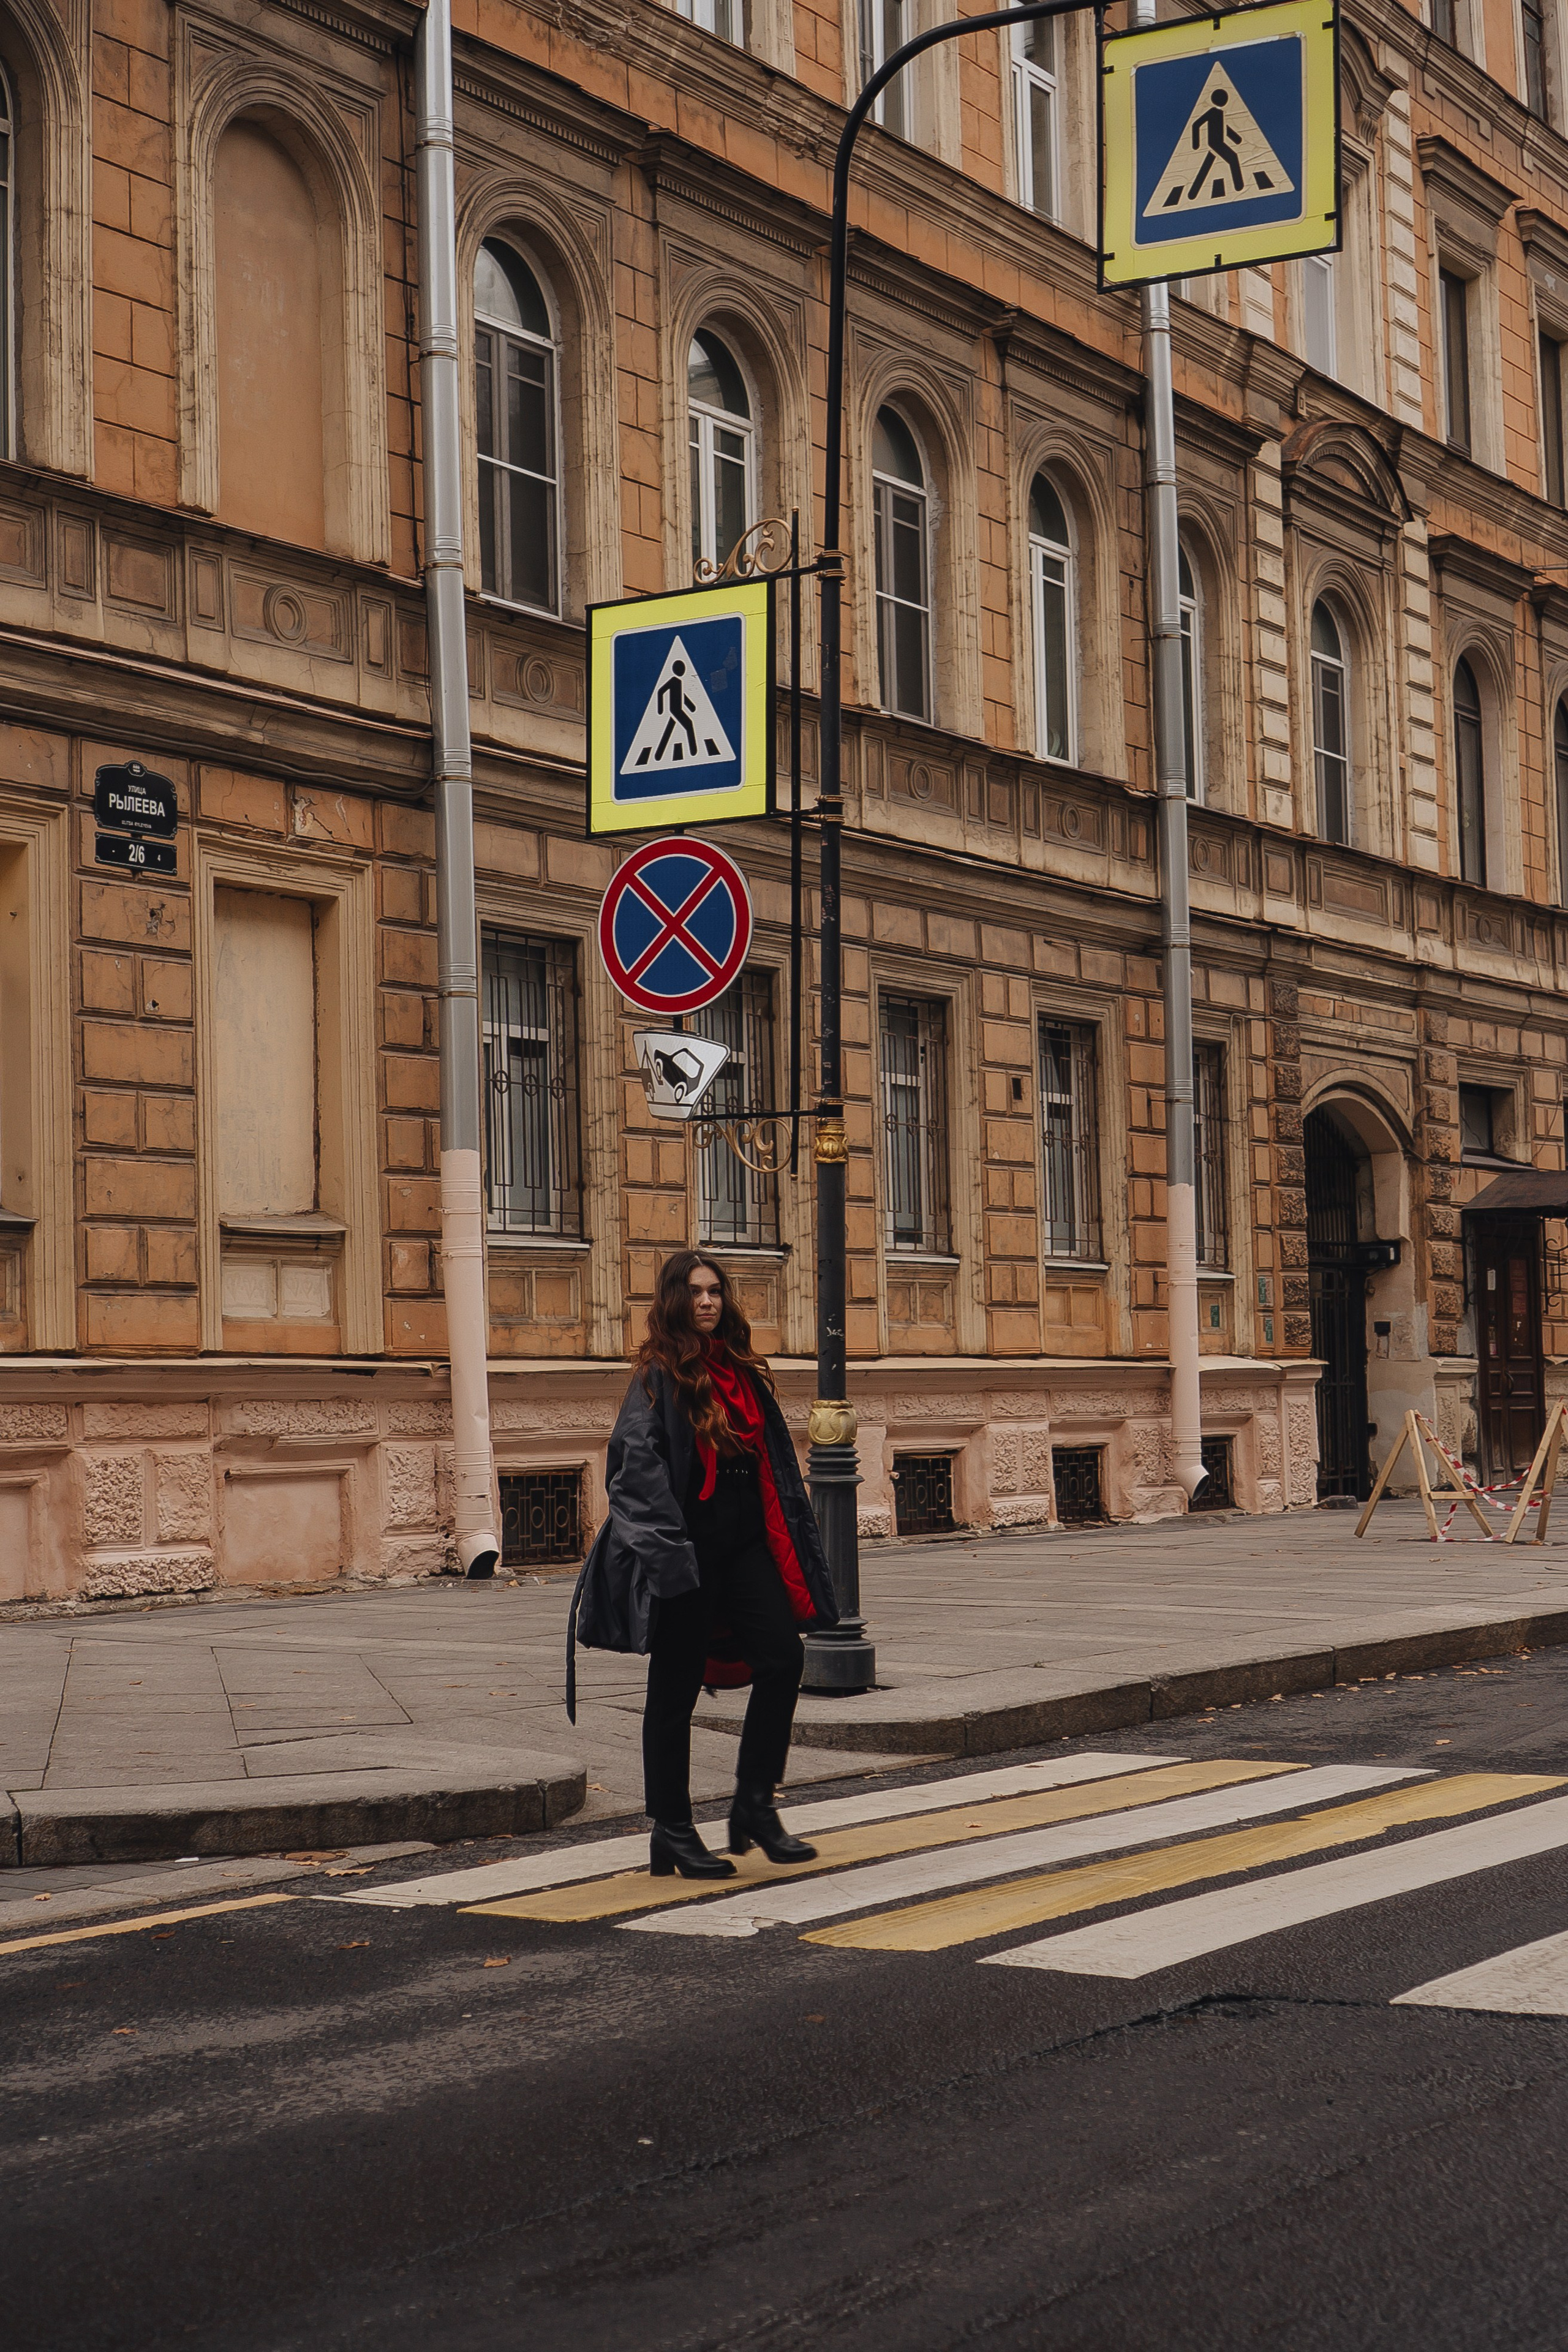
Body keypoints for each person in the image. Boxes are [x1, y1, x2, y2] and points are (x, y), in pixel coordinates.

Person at [567, 1248, 840, 1879]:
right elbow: (634, 1472)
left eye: (715, 1290)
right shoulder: (658, 1376)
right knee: (675, 1689)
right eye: (695, 1292)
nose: (708, 1302)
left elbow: (769, 1468)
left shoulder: (740, 1372)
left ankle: (753, 1806)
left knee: (783, 1657)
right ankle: (672, 1829)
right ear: (673, 1301)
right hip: (686, 1549)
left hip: (746, 1542)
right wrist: (669, 1556)